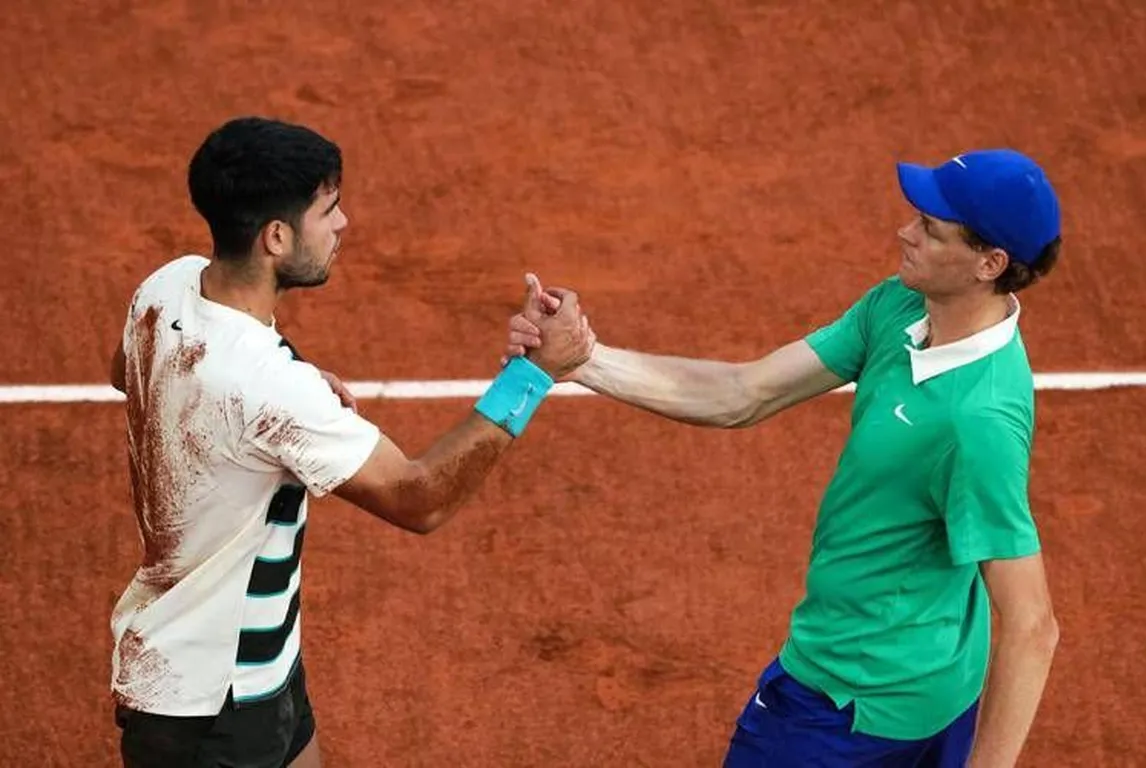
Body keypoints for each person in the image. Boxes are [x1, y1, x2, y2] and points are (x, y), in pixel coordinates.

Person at [505, 149, 1062, 767]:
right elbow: (745, 392)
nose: (905, 232)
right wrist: (584, 358)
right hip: (935, 676)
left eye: (931, 229)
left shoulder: (976, 420)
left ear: (990, 263)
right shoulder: (903, 309)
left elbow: (1032, 624)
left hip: (844, 700)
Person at [106, 115, 594, 768]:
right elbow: (421, 499)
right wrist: (530, 379)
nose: (343, 223)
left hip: (260, 662)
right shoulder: (267, 387)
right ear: (276, 237)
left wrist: (283, 383)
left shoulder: (169, 285)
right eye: (327, 210)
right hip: (207, 705)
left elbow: (127, 371)